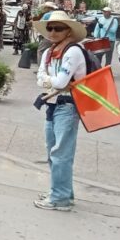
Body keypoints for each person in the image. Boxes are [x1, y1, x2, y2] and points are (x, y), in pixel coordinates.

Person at [33, 11, 88, 211]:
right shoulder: (50, 52)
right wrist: (51, 81)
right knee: (53, 152)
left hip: (67, 106)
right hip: (52, 105)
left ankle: (60, 198)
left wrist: (49, 80)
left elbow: (60, 81)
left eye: (58, 28)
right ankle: (62, 192)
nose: (53, 32)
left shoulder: (73, 51)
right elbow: (42, 78)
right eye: (50, 28)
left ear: (69, 30)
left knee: (60, 154)